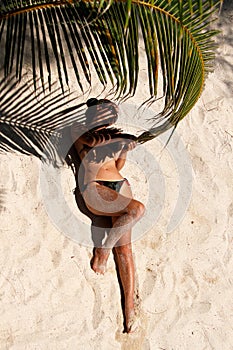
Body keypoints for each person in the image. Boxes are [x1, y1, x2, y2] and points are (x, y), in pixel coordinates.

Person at [69, 98, 145, 333]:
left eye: (111, 117)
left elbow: (118, 167)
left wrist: (124, 148)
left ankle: (129, 310)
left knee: (126, 250)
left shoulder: (113, 137)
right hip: (95, 187)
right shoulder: (79, 130)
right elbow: (91, 141)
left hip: (120, 186)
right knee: (137, 210)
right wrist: (117, 139)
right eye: (105, 115)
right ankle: (102, 252)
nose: (108, 121)